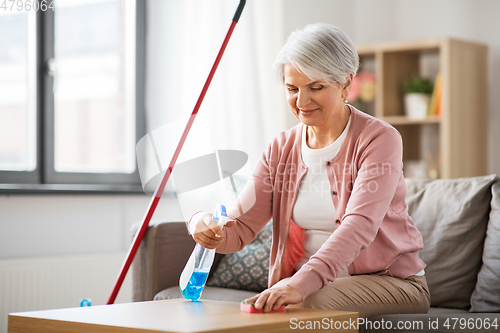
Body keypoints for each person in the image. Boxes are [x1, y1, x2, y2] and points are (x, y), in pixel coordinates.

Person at [188, 22, 430, 318]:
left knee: (306, 304)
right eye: (292, 89)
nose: (302, 102)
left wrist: (299, 284)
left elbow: (359, 226)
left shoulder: (379, 139)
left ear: (346, 83)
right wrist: (201, 224)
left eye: (316, 87)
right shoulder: (281, 148)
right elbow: (239, 229)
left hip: (391, 282)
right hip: (306, 286)